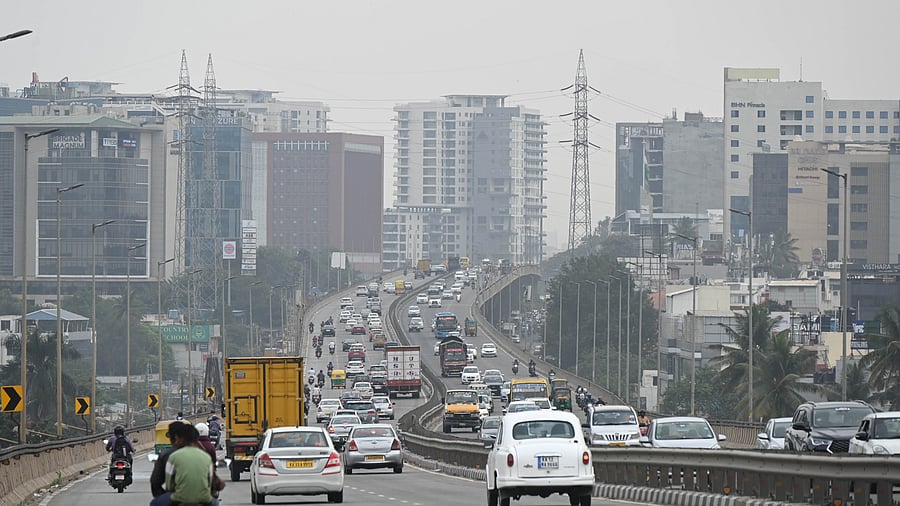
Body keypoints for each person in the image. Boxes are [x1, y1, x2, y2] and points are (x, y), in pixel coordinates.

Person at [165, 424, 216, 506]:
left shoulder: (173, 456)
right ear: (196, 439)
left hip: (179, 498)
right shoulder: (206, 456)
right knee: (215, 503)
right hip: (204, 499)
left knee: (156, 503)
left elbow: (169, 485)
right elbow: (210, 482)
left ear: (179, 439)